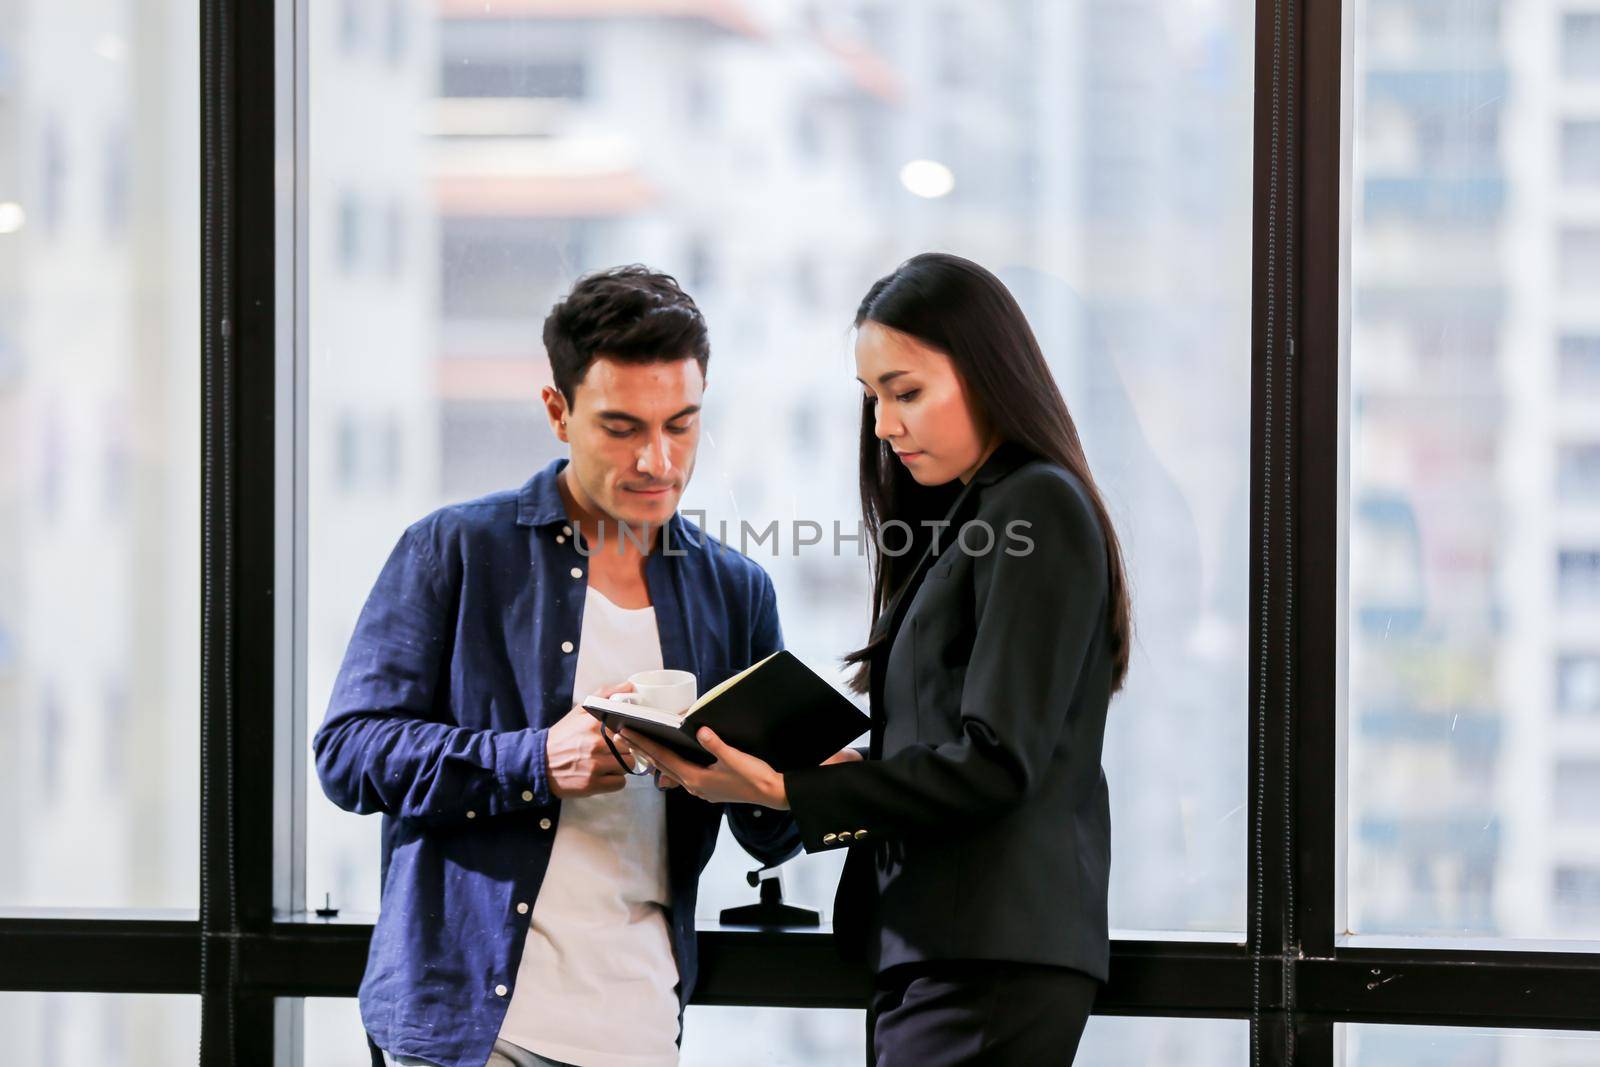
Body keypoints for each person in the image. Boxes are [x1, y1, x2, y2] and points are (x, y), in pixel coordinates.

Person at [624, 252, 1133, 1066]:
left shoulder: (1035, 503)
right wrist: (847, 761)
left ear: (987, 371)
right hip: (948, 952)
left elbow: (998, 762)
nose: (884, 426)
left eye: (906, 392)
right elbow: (965, 740)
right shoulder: (981, 514)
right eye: (873, 399)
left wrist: (791, 787)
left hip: (988, 955)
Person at [313, 266, 800, 1067]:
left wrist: (792, 784)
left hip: (639, 1025)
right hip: (472, 1030)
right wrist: (539, 758)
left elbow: (769, 832)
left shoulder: (736, 591)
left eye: (682, 424)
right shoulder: (457, 551)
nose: (658, 459)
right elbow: (350, 755)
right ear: (557, 412)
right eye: (621, 427)